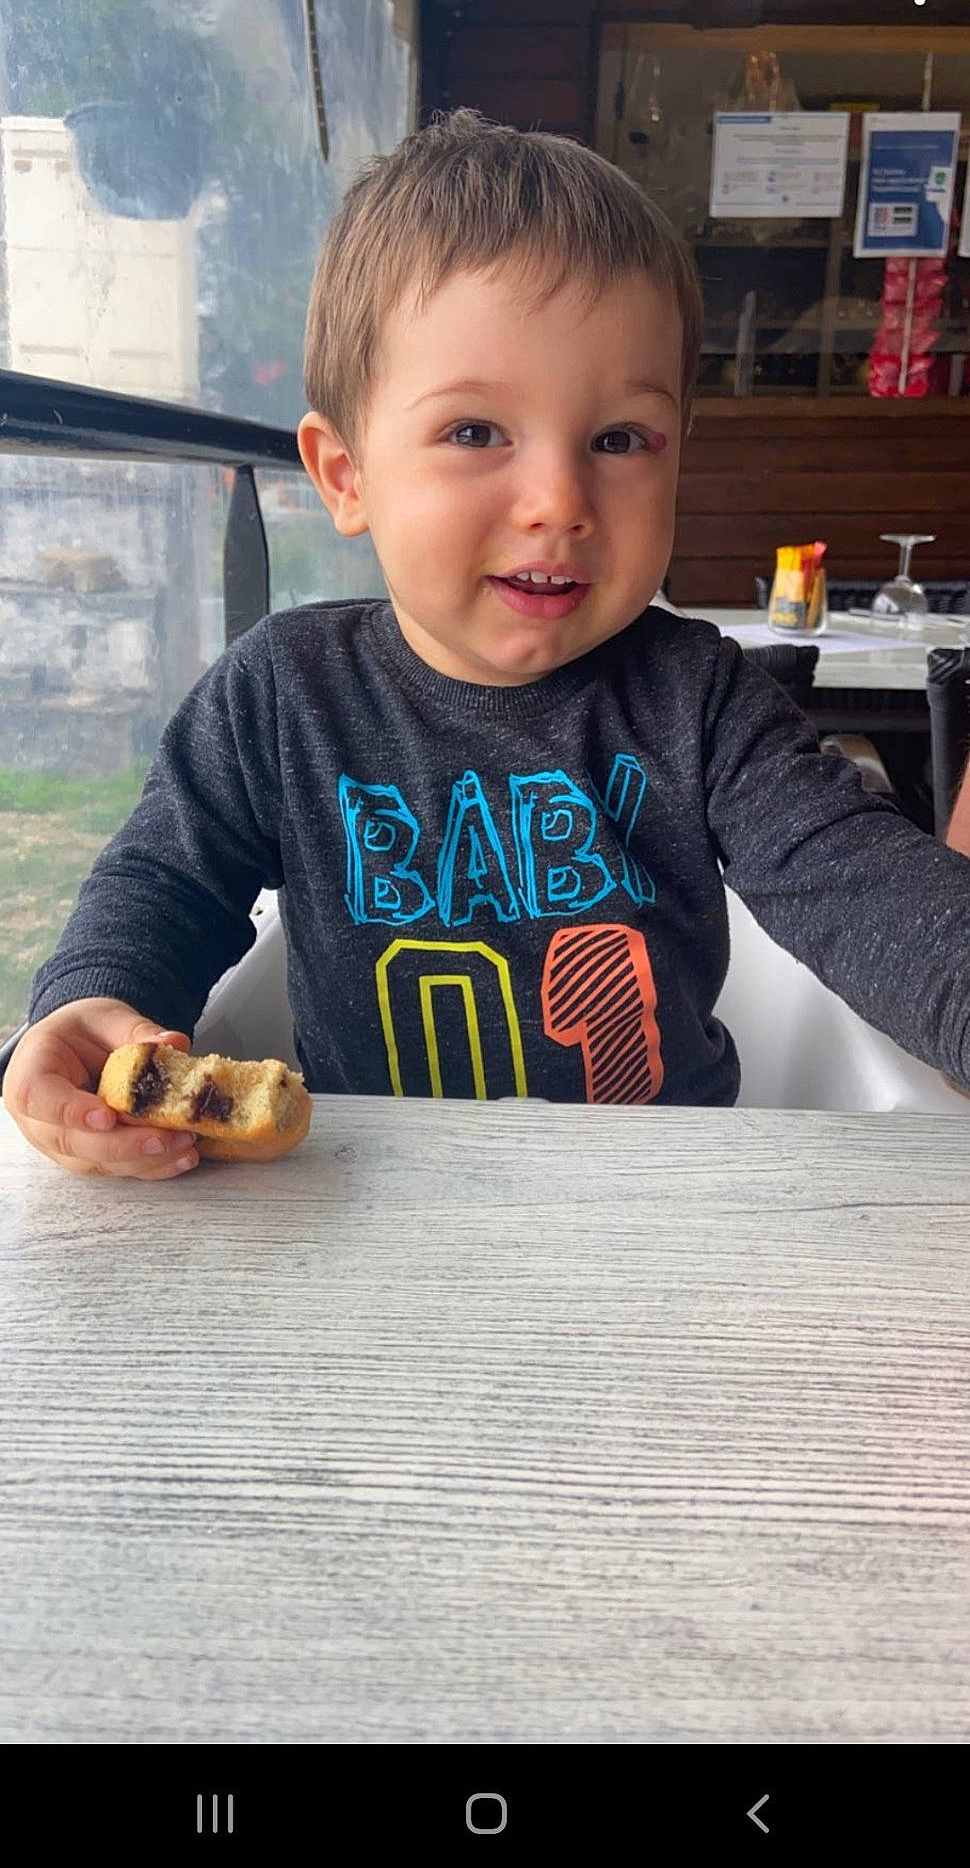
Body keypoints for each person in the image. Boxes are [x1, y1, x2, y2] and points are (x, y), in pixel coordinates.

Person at [7, 105, 970, 1180]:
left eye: (618, 439)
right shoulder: (281, 694)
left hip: (667, 1194)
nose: (558, 499)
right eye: (475, 432)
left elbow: (862, 884)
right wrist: (92, 1000)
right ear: (346, 476)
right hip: (370, 1194)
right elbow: (165, 881)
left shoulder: (702, 698)